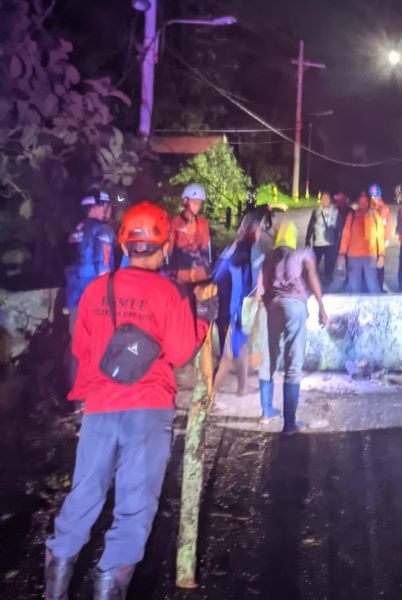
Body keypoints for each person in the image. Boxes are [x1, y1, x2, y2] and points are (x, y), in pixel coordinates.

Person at [45, 201, 214, 600]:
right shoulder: (170, 294)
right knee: (135, 505)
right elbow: (179, 351)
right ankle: (109, 586)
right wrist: (203, 317)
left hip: (101, 406)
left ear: (124, 244)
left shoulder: (94, 290)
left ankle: (55, 583)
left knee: (85, 492)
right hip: (148, 408)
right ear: (164, 244)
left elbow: (82, 349)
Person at [258, 222, 328, 433]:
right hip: (295, 307)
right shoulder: (303, 253)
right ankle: (289, 424)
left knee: (269, 362)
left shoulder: (268, 257)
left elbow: (261, 288)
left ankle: (266, 411)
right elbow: (313, 278)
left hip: (273, 308)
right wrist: (321, 308)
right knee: (293, 366)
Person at [212, 209, 267, 395]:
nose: (260, 233)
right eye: (259, 229)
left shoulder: (231, 248)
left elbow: (216, 275)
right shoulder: (252, 252)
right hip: (234, 313)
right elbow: (257, 287)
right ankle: (206, 399)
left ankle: (243, 388)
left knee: (242, 348)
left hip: (227, 309)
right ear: (253, 231)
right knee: (227, 358)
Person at [64, 191, 116, 384]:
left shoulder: (75, 231)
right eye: (105, 205)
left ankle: (77, 398)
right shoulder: (103, 231)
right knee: (99, 345)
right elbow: (103, 268)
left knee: (76, 347)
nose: (108, 210)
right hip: (95, 298)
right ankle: (96, 393)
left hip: (74, 298)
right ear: (96, 206)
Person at [337, 192, 385, 294]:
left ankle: (377, 307)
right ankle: (356, 309)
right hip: (354, 256)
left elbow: (380, 236)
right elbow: (346, 235)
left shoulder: (376, 216)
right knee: (354, 286)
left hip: (370, 256)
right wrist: (341, 253)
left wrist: (381, 255)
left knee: (373, 285)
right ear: (358, 202)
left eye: (365, 201)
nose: (363, 204)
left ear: (368, 202)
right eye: (361, 201)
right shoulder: (352, 216)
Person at [169, 183, 213, 284]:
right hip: (180, 273)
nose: (197, 206)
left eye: (199, 203)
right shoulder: (175, 223)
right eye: (194, 203)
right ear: (185, 201)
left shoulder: (203, 223)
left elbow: (206, 250)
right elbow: (169, 250)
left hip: (199, 273)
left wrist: (207, 271)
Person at [304, 191, 340, 288]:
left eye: (326, 199)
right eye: (323, 199)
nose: (324, 201)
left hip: (330, 243)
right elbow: (310, 226)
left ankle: (327, 283)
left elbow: (339, 228)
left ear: (330, 200)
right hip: (318, 243)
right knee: (315, 264)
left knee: (329, 265)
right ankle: (315, 282)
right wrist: (307, 239)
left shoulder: (335, 212)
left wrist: (339, 243)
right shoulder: (316, 212)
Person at [368, 184, 391, 290]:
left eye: (375, 196)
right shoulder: (370, 208)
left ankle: (380, 287)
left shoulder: (384, 209)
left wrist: (387, 238)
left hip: (380, 242)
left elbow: (387, 224)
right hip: (370, 242)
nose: (374, 198)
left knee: (379, 265)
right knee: (369, 266)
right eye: (372, 196)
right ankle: (370, 286)